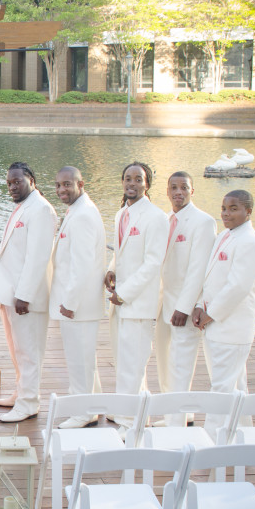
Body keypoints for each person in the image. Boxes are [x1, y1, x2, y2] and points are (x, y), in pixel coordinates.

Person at [193, 190, 255, 435]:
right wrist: (200, 304)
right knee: (235, 385)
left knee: (221, 387)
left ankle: (211, 440)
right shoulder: (224, 235)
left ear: (248, 211)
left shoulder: (250, 242)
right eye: (224, 208)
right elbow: (210, 278)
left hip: (233, 326)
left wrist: (210, 313)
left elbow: (238, 287)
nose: (226, 213)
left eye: (233, 209)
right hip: (215, 324)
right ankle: (243, 434)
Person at [104, 161, 169, 430]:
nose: (132, 183)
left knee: (134, 364)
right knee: (124, 362)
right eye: (128, 179)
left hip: (138, 303)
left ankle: (130, 422)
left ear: (147, 184)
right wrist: (111, 269)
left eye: (138, 179)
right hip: (120, 302)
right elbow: (122, 252)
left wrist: (124, 293)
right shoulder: (122, 213)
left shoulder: (156, 217)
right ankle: (131, 411)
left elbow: (153, 263)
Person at [0, 162, 58, 423]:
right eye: (9, 183)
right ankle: (21, 392)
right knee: (18, 350)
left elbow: (38, 257)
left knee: (29, 352)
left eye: (17, 181)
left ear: (31, 180)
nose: (12, 187)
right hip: (12, 294)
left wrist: (25, 295)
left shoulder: (41, 209)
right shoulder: (24, 207)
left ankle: (29, 403)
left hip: (26, 299)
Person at [156, 171, 216, 426]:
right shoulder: (167, 219)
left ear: (193, 190)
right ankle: (176, 413)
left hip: (184, 308)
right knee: (167, 363)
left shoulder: (203, 222)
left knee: (181, 365)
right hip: (164, 303)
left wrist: (184, 307)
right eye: (173, 187)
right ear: (167, 191)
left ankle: (177, 423)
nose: (178, 192)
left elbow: (198, 269)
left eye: (184, 187)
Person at [49, 167, 107, 429]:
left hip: (78, 305)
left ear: (80, 184)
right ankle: (94, 404)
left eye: (67, 184)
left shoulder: (83, 215)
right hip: (78, 303)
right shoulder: (78, 210)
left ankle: (84, 413)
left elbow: (82, 265)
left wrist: (69, 303)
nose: (61, 190)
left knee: (79, 361)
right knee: (85, 359)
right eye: (58, 185)